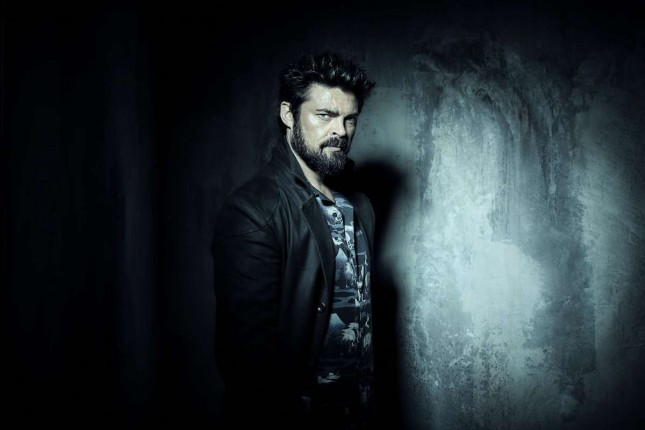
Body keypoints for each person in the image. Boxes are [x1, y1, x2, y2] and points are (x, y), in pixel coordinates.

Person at [212, 52, 377, 430]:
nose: (340, 131)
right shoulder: (254, 211)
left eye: (349, 118)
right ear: (288, 114)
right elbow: (245, 361)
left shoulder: (359, 206)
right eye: (325, 115)